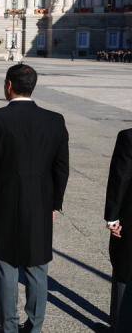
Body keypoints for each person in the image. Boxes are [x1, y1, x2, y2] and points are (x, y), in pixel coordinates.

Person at [0, 64, 69, 333]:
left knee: (5, 266)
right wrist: (55, 204)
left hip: (2, 202)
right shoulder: (55, 120)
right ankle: (35, 326)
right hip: (40, 204)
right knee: (37, 267)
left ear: (8, 86)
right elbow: (61, 167)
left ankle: (9, 325)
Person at [105, 128, 132, 331]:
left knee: (124, 271)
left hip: (129, 220)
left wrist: (112, 217)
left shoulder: (128, 137)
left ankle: (120, 326)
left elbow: (120, 178)